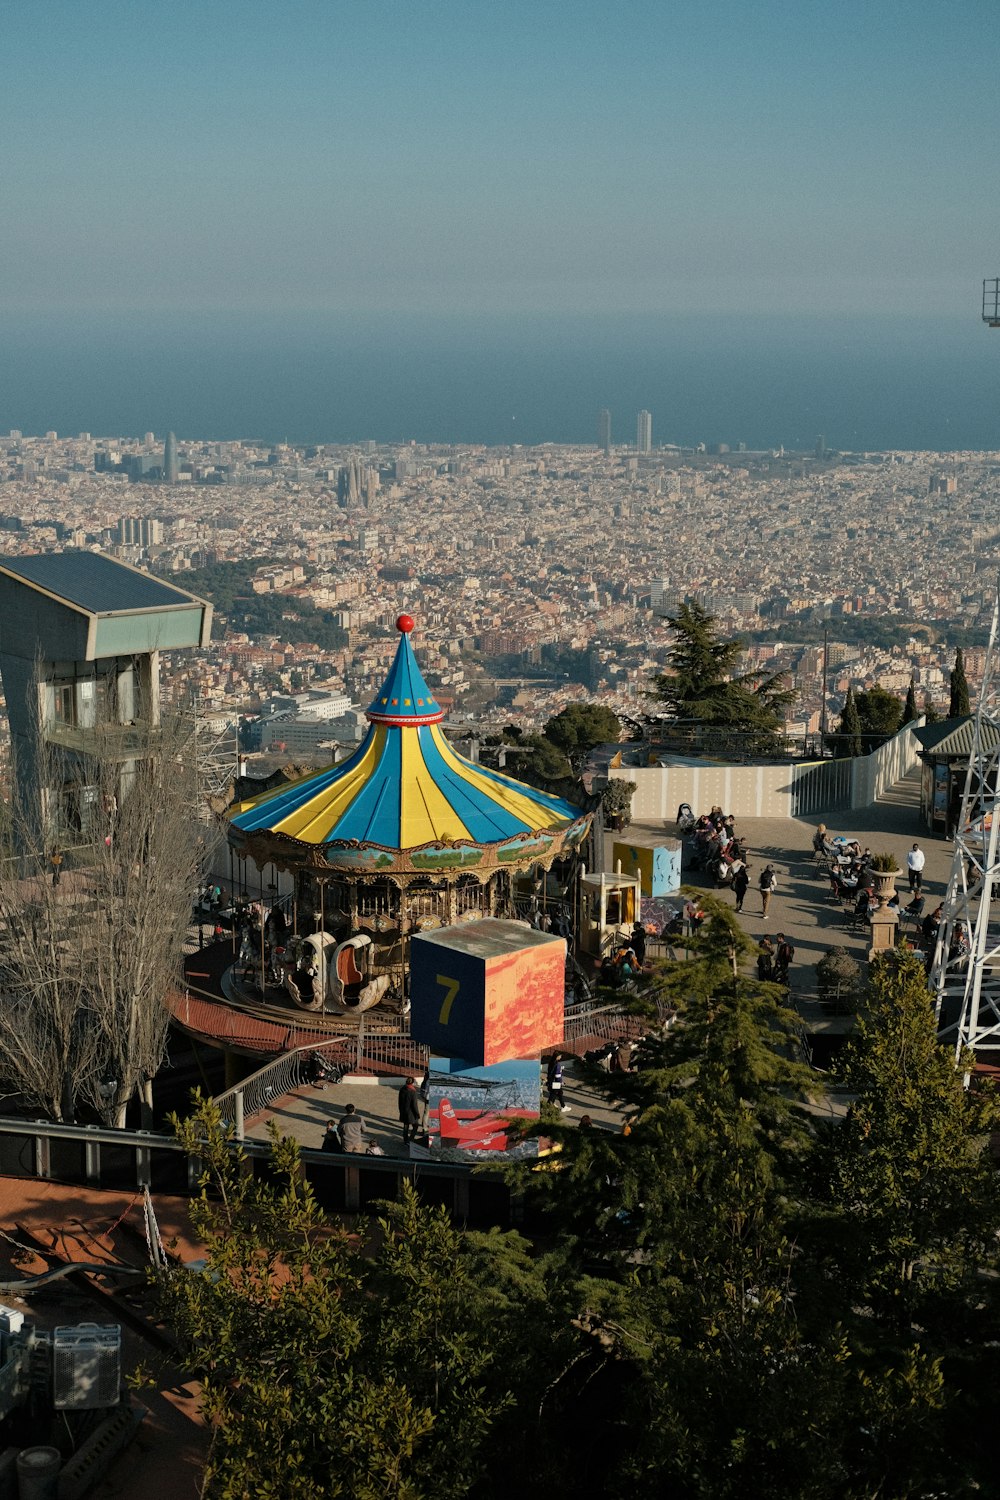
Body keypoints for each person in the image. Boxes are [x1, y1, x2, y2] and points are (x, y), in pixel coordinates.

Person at [398, 1076, 422, 1143]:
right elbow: (414, 1105)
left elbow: (399, 1101)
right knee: (415, 1126)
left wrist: (400, 1110)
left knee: (406, 1126)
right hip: (411, 1113)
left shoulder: (402, 1089)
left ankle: (405, 1140)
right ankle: (411, 1139)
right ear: (412, 1083)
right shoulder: (413, 1092)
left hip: (403, 1111)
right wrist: (417, 1114)